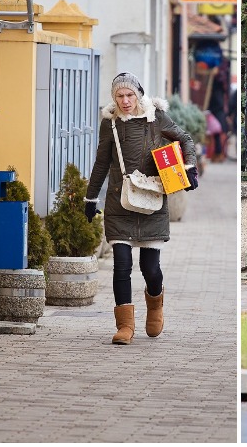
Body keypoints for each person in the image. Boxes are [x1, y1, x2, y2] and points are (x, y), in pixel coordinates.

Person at [84, 72, 199, 345]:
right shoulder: (110, 124)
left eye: (129, 95)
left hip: (151, 200)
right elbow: (102, 163)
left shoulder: (156, 118)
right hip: (120, 200)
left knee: (150, 268)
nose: (125, 101)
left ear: (138, 95)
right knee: (121, 265)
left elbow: (185, 139)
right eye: (119, 96)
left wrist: (189, 168)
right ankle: (125, 326)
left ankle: (155, 306)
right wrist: (90, 199)